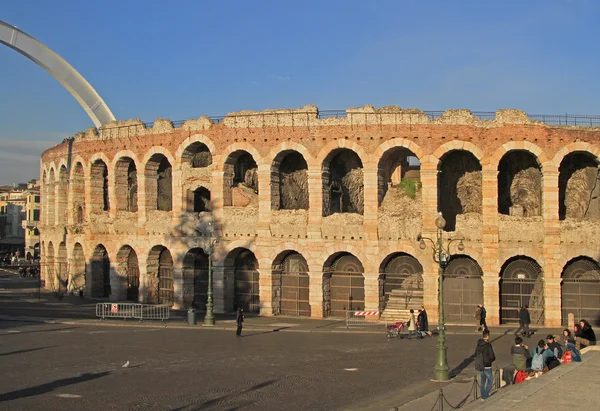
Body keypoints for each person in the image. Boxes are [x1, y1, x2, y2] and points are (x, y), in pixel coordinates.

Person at [475, 329, 496, 400]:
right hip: (487, 365)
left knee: (483, 380)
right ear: (487, 336)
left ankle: (482, 395)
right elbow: (492, 356)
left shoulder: (479, 344)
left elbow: (476, 354)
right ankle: (485, 394)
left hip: (480, 365)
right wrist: (490, 360)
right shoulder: (488, 345)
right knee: (490, 380)